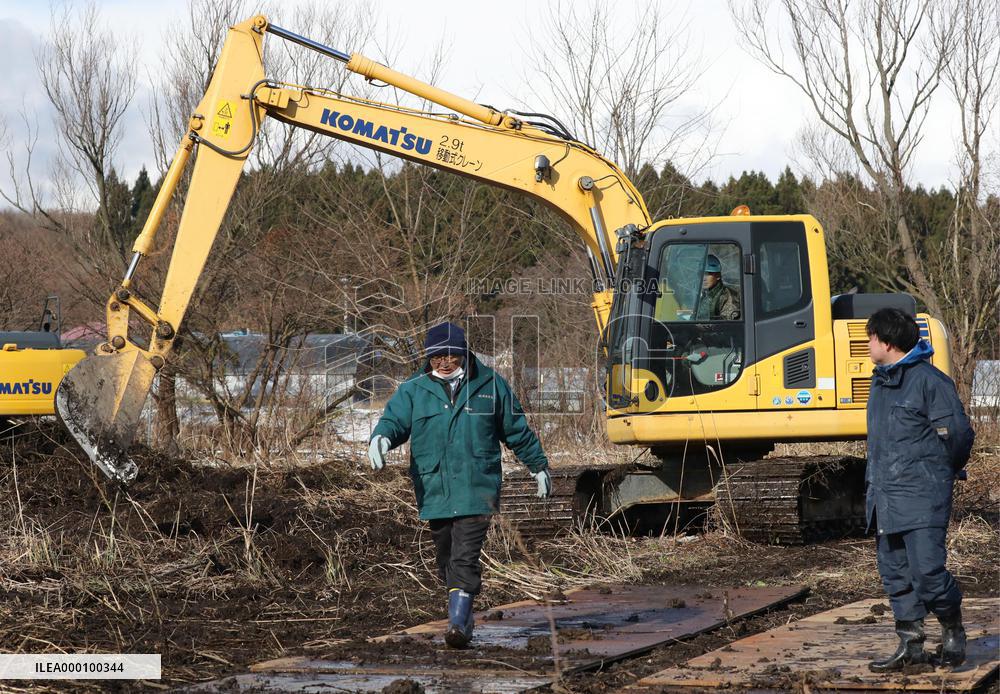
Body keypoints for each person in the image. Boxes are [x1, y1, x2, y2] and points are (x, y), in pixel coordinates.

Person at [367, 321, 551, 649]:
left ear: (464, 353)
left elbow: (516, 430)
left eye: (452, 354)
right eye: (437, 357)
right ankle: (464, 621)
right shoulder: (413, 390)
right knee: (447, 559)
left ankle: (455, 624)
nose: (445, 362)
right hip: (434, 489)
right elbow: (393, 421)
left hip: (477, 488)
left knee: (465, 557)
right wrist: (381, 438)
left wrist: (538, 466)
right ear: (429, 358)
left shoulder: (491, 385)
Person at [865, 308, 975, 672]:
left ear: (887, 341)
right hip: (885, 494)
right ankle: (910, 645)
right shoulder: (879, 383)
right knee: (895, 573)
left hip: (923, 493)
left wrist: (940, 470)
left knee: (927, 572)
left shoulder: (930, 382)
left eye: (871, 337)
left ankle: (952, 628)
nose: (868, 343)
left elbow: (958, 435)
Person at [694, 254, 740, 320]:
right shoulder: (703, 294)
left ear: (718, 276)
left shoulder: (727, 296)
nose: (704, 278)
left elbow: (727, 323)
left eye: (709, 274)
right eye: (702, 274)